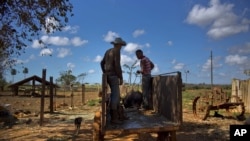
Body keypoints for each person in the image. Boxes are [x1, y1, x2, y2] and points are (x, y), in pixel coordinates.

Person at [100, 37, 126, 124]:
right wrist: (121, 77)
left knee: (114, 95)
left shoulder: (108, 51)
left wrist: (105, 73)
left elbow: (101, 63)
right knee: (115, 96)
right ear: (118, 45)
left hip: (107, 75)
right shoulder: (116, 51)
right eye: (121, 45)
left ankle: (118, 115)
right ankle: (114, 118)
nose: (121, 47)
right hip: (114, 75)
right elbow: (117, 65)